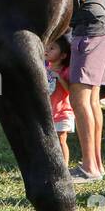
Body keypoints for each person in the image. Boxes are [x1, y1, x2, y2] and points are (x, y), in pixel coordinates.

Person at [69, 0, 105, 180]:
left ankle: (89, 168)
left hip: (91, 33)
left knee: (79, 100)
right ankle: (95, 165)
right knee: (91, 100)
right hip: (104, 30)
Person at [45, 37, 75, 168]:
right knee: (49, 142)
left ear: (63, 55)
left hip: (63, 112)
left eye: (52, 48)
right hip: (48, 113)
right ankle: (52, 166)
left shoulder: (65, 71)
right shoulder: (44, 69)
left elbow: (70, 91)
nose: (47, 50)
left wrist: (59, 78)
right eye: (47, 47)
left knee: (61, 140)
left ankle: (64, 167)